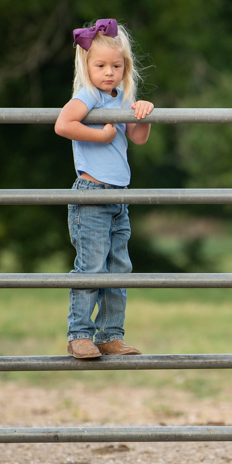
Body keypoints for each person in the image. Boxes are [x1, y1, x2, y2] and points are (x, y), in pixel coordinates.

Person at [55, 19, 154, 359]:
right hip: (91, 195)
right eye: (100, 65)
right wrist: (100, 134)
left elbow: (138, 138)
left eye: (116, 65)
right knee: (92, 267)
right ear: (86, 67)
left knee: (119, 270)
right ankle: (79, 334)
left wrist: (143, 113)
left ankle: (110, 334)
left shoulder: (123, 97)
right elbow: (63, 124)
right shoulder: (87, 96)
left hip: (119, 199)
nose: (109, 72)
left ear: (126, 67)